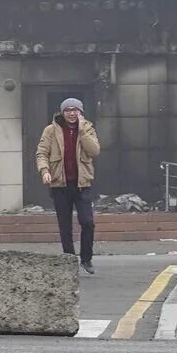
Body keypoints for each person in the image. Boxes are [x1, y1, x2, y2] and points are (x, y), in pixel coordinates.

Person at [36, 97, 100, 274]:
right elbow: (41, 153)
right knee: (65, 225)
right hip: (60, 185)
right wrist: (45, 171)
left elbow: (94, 151)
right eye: (68, 110)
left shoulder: (87, 128)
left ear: (81, 112)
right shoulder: (51, 130)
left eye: (76, 110)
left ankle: (86, 259)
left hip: (82, 184)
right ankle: (69, 260)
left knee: (87, 222)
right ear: (62, 112)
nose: (72, 113)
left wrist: (82, 131)